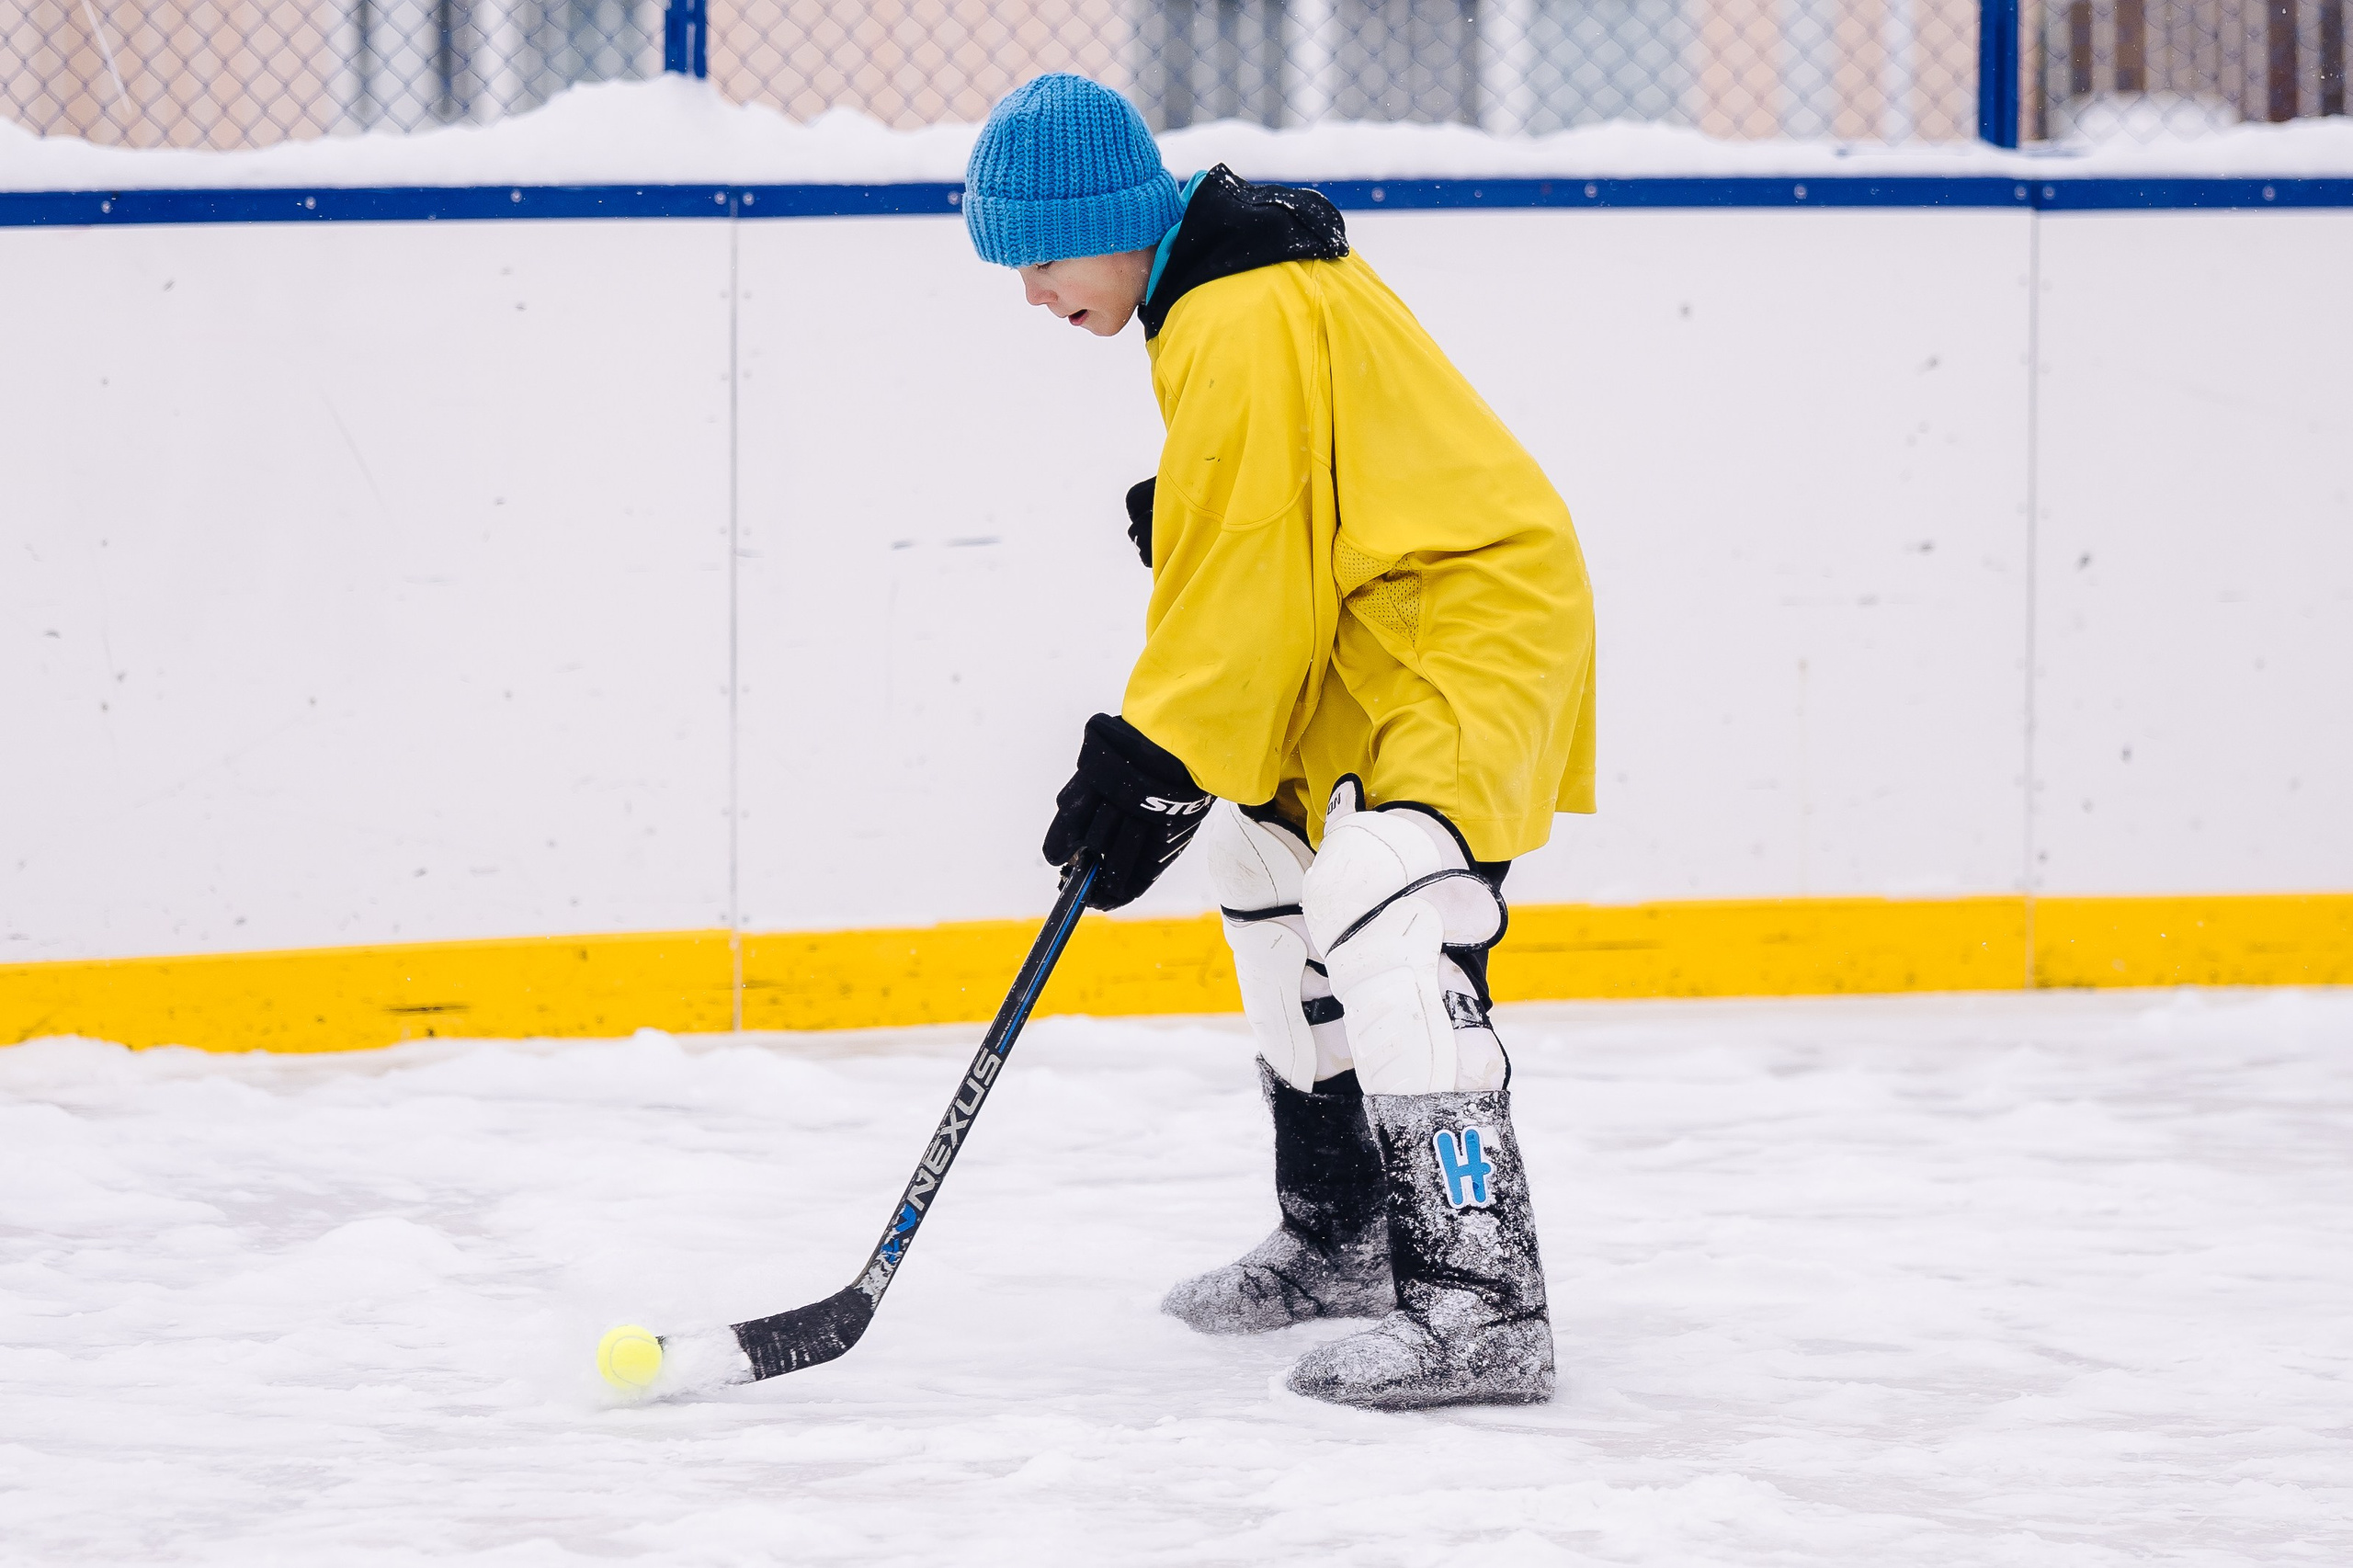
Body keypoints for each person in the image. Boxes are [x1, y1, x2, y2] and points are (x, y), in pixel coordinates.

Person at [961, 74, 1597, 1411]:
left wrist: (1151, 758)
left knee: (1388, 902)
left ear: (1108, 220)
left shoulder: (1233, 308)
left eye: (1041, 256)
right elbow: (1281, 504)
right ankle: (1341, 1235)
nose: (1029, 291)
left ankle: (1482, 1301)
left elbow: (1246, 582)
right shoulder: (1212, 292)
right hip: (1369, 612)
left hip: (1459, 620)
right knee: (1262, 859)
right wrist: (1197, 507)